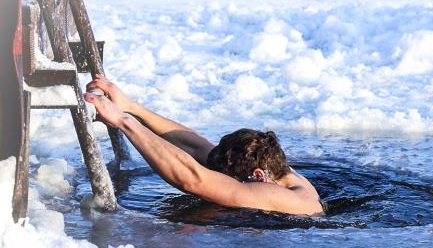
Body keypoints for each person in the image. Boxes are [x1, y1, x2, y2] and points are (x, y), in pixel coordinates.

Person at [84, 75, 324, 216]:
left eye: (224, 173)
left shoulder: (280, 195)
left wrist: (124, 123)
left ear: (258, 176)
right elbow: (199, 149)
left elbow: (194, 179)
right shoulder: (273, 169)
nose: (216, 170)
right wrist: (131, 108)